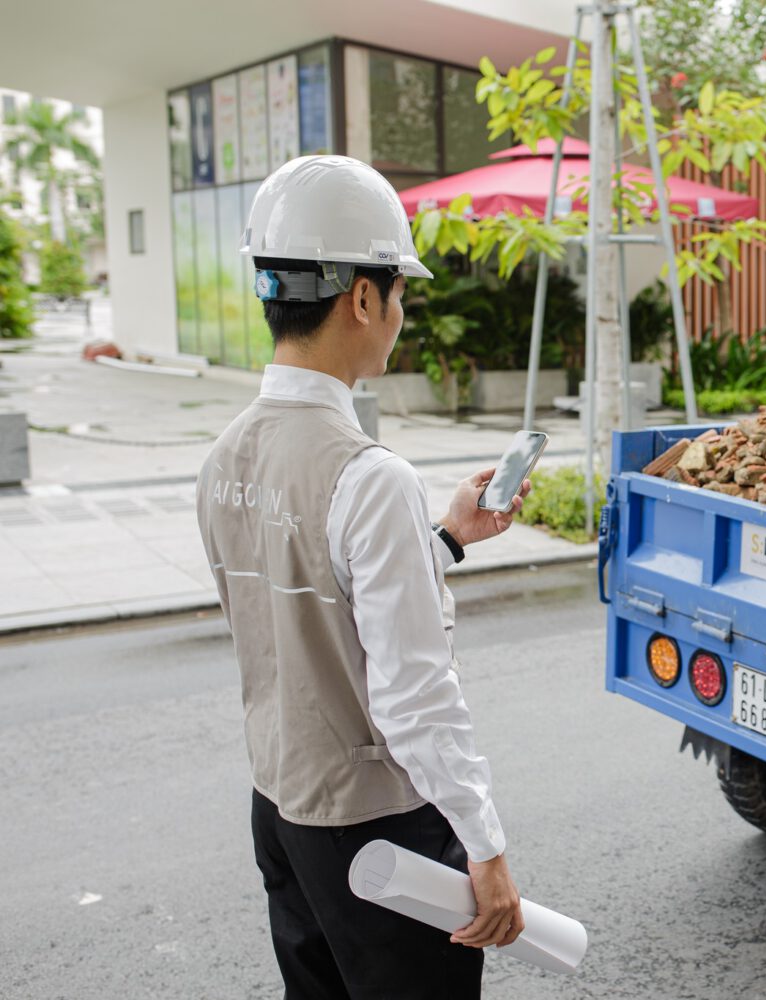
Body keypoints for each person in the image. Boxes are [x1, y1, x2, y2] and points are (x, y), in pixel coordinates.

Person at [196, 154, 527, 999]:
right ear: (363, 297)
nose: (400, 314)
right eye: (399, 291)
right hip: (381, 835)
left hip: (281, 811)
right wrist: (484, 847)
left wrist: (444, 541)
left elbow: (302, 603)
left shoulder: (225, 453)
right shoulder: (370, 476)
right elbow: (414, 694)